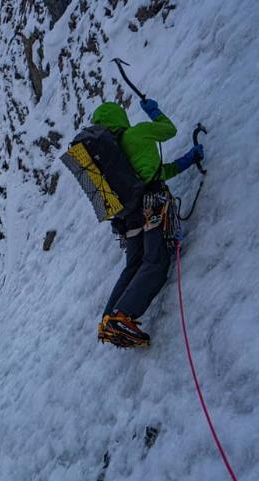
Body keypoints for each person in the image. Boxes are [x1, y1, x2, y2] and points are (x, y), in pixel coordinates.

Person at [90, 98, 204, 349]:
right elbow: (169, 130)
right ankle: (123, 316)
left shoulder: (104, 157)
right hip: (151, 207)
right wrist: (153, 111)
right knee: (155, 261)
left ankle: (109, 318)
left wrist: (186, 160)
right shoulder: (137, 133)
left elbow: (152, 174)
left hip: (127, 219)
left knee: (133, 266)